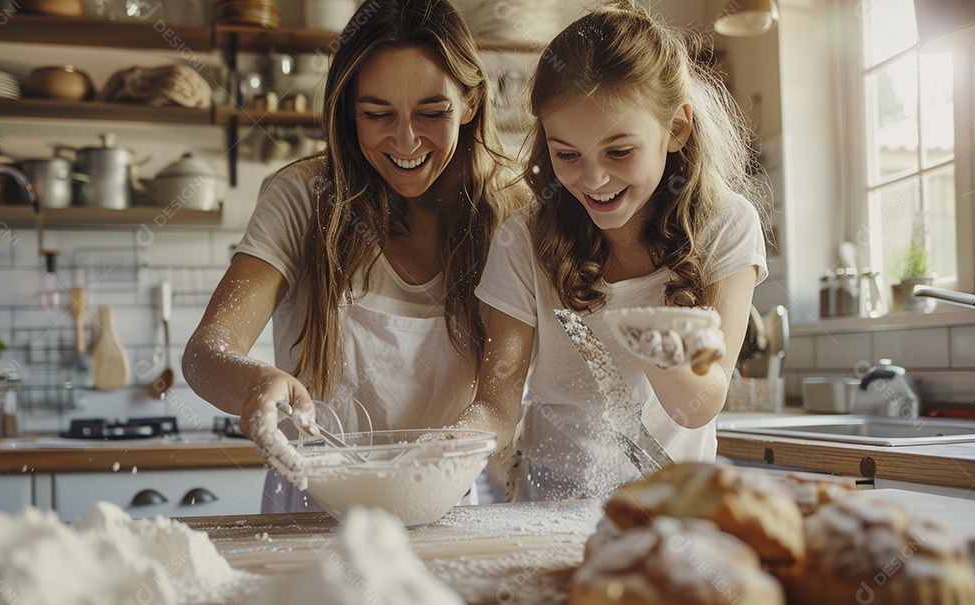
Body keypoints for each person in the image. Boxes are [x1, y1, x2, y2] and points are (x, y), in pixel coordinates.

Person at [182, 0, 522, 512]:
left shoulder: (505, 216)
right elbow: (207, 352)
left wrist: (439, 453)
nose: (406, 139)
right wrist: (254, 383)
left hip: (442, 503)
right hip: (312, 511)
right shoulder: (302, 196)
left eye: (433, 113)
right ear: (347, 109)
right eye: (377, 114)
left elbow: (499, 404)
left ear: (471, 102)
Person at [455, 0, 769, 502]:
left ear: (677, 129)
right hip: (546, 507)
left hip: (674, 512)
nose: (594, 179)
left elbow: (699, 405)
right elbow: (496, 402)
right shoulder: (522, 240)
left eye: (619, 151)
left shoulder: (726, 226)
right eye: (567, 155)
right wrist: (454, 441)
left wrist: (646, 337)